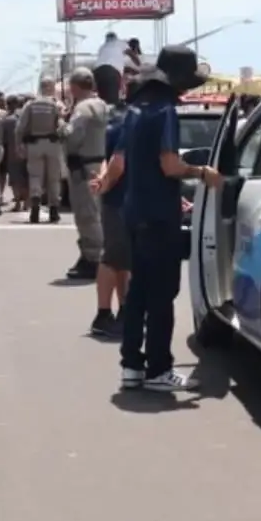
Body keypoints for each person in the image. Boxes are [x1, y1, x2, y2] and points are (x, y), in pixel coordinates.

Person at [97, 46, 220, 392]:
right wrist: (201, 171)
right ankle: (159, 369)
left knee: (138, 293)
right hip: (158, 214)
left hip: (134, 210)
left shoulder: (136, 109)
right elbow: (169, 164)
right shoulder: (165, 111)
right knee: (162, 294)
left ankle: (132, 366)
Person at [89, 84, 131, 337]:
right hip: (120, 199)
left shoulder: (117, 120)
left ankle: (124, 308)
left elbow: (109, 160)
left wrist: (104, 181)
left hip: (120, 198)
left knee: (123, 260)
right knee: (113, 257)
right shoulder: (129, 122)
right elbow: (117, 163)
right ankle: (103, 314)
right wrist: (107, 183)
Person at [62, 67, 108, 279]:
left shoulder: (83, 108)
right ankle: (92, 255)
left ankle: (93, 259)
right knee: (95, 213)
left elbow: (72, 136)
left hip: (84, 166)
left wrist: (60, 125)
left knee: (86, 214)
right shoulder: (102, 105)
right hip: (99, 163)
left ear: (75, 87)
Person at [17, 78, 63, 223]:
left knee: (35, 177)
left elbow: (20, 127)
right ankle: (54, 211)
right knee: (54, 178)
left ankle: (35, 209)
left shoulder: (30, 105)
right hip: (53, 144)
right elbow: (61, 125)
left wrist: (19, 144)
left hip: (34, 144)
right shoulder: (56, 105)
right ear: (51, 88)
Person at [1, 95, 25, 211]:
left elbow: (3, 139)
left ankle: (18, 203)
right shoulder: (26, 116)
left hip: (13, 152)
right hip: (27, 151)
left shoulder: (8, 119)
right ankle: (27, 203)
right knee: (26, 178)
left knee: (15, 179)